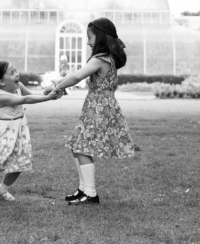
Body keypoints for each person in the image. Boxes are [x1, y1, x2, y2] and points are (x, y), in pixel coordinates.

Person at [44, 17, 135, 205]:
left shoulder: (101, 58)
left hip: (99, 108)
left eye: (90, 38)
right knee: (77, 145)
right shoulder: (103, 58)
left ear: (100, 38)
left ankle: (91, 194)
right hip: (96, 106)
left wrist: (56, 88)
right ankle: (83, 189)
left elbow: (77, 76)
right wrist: (57, 83)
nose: (87, 42)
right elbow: (76, 72)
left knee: (81, 147)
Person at [0, 61, 62, 201]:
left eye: (16, 71)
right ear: (1, 82)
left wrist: (48, 93)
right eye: (12, 73)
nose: (17, 74)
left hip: (19, 130)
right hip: (4, 131)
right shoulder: (1, 96)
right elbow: (25, 99)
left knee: (20, 163)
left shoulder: (18, 86)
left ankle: (2, 188)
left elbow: (31, 95)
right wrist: (48, 98)